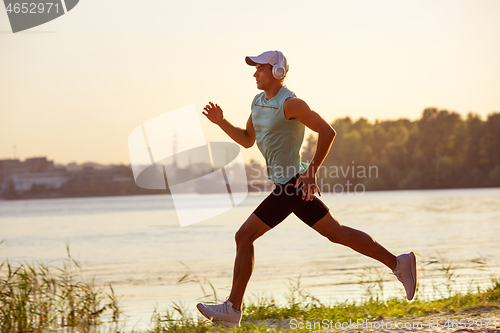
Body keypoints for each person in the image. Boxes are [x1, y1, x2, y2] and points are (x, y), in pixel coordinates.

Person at [197, 50, 416, 328]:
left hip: (293, 183)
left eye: (260, 69)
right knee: (336, 233)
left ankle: (232, 308)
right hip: (290, 183)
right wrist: (221, 122)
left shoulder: (291, 103)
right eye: (255, 69)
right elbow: (247, 140)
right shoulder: (257, 102)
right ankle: (399, 263)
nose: (255, 74)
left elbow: (328, 132)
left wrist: (312, 172)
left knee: (244, 236)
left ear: (277, 72)